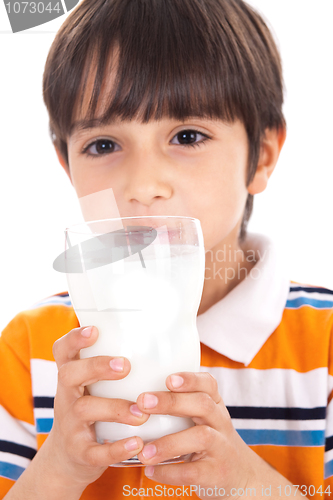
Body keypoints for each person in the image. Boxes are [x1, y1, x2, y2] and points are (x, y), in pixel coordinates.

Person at [0, 0, 332, 498]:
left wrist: (244, 482)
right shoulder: (33, 351)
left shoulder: (322, 344)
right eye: (104, 146)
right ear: (68, 168)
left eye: (187, 135)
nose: (143, 185)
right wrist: (61, 469)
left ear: (261, 156)